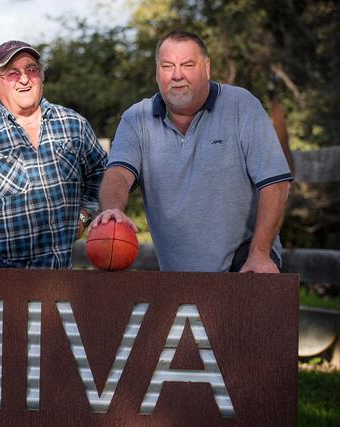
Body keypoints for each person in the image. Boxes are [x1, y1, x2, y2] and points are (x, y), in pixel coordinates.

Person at [92, 30, 292, 273]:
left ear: (206, 68)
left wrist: (260, 253)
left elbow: (276, 183)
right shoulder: (137, 119)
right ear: (157, 70)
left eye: (188, 65)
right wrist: (113, 208)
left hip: (245, 265)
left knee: (243, 308)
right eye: (167, 66)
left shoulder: (241, 105)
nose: (177, 75)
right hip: (179, 277)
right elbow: (119, 174)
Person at [0, 40, 107, 268]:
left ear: (41, 78)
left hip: (56, 278)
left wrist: (84, 216)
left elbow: (101, 174)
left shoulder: (73, 124)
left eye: (31, 70)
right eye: (12, 73)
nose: (24, 79)